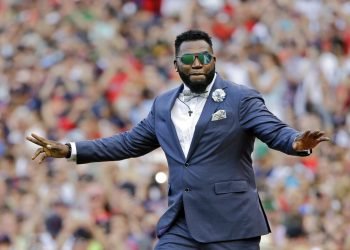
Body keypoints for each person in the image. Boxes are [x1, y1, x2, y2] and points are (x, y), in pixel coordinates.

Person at [27, 30, 330, 250]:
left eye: (204, 57)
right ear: (176, 65)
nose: (197, 62)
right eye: (189, 57)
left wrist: (295, 142)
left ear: (214, 60)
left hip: (232, 223)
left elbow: (273, 129)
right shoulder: (162, 105)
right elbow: (128, 143)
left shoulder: (240, 98)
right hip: (183, 222)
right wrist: (70, 149)